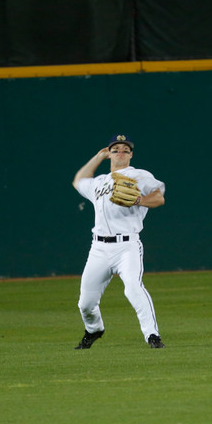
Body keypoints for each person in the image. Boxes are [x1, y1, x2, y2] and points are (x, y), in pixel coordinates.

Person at [72, 135, 166, 349]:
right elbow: (78, 181)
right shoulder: (99, 182)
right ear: (110, 154)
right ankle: (94, 330)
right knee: (85, 303)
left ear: (131, 154)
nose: (120, 152)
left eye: (125, 149)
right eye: (116, 149)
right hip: (98, 249)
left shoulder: (139, 175)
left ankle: (152, 335)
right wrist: (98, 157)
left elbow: (159, 198)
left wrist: (140, 200)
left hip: (127, 246)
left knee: (133, 288)